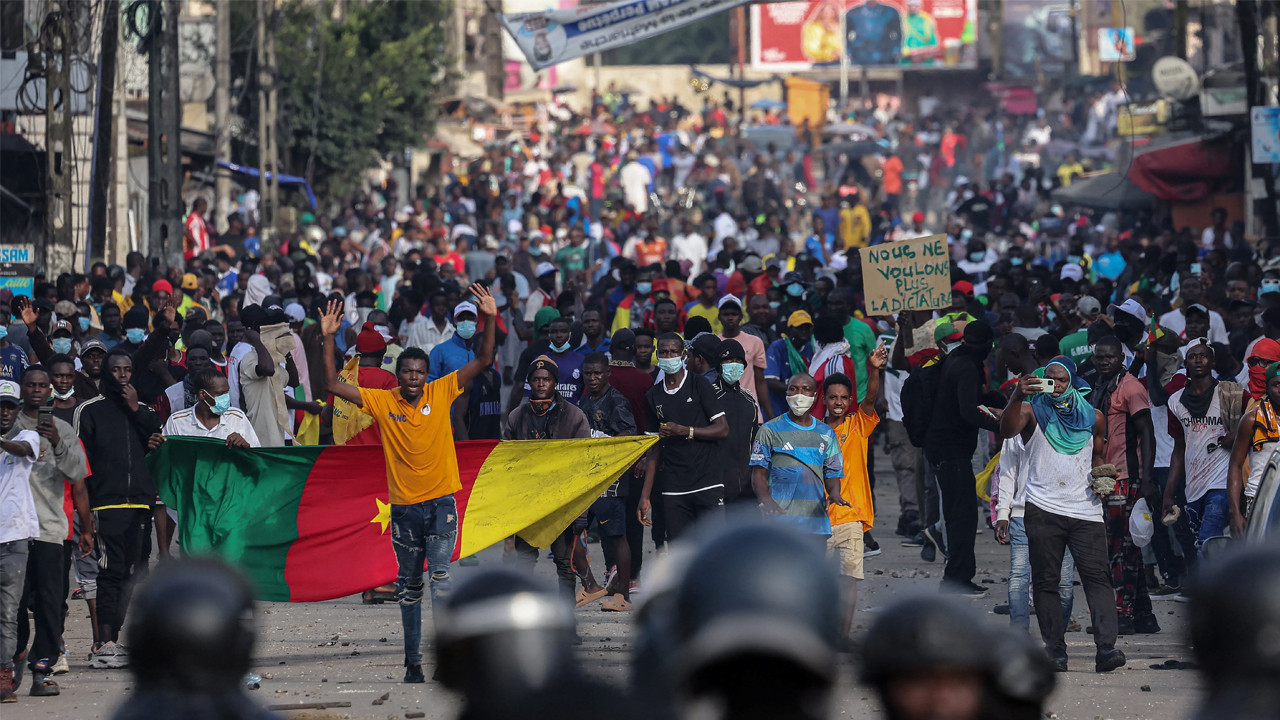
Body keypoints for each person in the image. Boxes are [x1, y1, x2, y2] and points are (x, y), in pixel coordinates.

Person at [318, 283, 497, 684]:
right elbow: (331, 385)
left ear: (425, 375)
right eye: (408, 373)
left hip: (441, 506)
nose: (414, 378)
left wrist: (490, 317)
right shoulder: (383, 400)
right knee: (410, 587)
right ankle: (413, 663)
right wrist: (328, 338)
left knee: (442, 580)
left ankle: (449, 661)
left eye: (419, 372)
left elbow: (484, 359)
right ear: (397, 376)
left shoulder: (443, 388)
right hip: (403, 510)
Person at [999, 357, 1126, 673]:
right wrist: (1017, 394)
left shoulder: (1093, 417)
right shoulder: (1032, 411)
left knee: (1098, 577)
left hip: (1086, 509)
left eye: (1061, 380)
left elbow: (1097, 451)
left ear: (1072, 383)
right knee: (1046, 581)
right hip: (1043, 508)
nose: (1055, 386)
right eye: (1049, 379)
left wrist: (1102, 474)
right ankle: (1055, 652)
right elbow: (1005, 428)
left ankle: (1107, 649)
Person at [74, 351, 161, 670]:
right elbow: (81, 459)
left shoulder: (142, 409)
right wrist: (87, 508)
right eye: (116, 370)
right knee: (110, 572)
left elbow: (154, 435)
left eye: (128, 370)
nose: (123, 375)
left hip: (140, 500)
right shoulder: (90, 410)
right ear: (107, 374)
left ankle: (114, 640)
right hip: (107, 502)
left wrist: (136, 407)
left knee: (131, 573)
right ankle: (103, 643)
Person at [505, 355, 608, 611]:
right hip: (528, 504)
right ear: (529, 383)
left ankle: (566, 624)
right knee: (525, 564)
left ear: (555, 382)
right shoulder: (517, 416)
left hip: (563, 504)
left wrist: (581, 512)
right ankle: (523, 619)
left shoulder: (574, 416)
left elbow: (584, 465)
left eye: (546, 379)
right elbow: (505, 464)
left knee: (565, 565)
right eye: (536, 379)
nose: (541, 384)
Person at [1089, 336, 1161, 634]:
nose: (1104, 361)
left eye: (1110, 357)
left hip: (1125, 478)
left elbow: (1147, 432)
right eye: (1100, 357)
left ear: (1121, 357)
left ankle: (1121, 616)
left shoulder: (1131, 387)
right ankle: (1143, 615)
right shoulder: (1099, 384)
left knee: (1117, 548)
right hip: (1107, 477)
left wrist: (1146, 480)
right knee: (1125, 547)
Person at [925, 321, 1001, 596]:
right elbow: (969, 411)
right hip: (951, 451)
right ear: (988, 345)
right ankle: (957, 579)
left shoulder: (956, 358)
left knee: (958, 515)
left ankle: (956, 576)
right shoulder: (967, 366)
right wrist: (1002, 425)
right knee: (963, 517)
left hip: (942, 449)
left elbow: (972, 400)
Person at [638, 332, 730, 543]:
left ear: (683, 354)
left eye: (673, 352)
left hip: (707, 481)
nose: (668, 356)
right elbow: (654, 450)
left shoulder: (699, 384)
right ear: (657, 355)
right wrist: (645, 495)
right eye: (663, 352)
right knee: (680, 550)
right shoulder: (653, 396)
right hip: (674, 485)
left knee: (713, 546)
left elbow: (723, 429)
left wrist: (685, 431)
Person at [822, 350, 886, 650]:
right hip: (817, 518)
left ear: (850, 401)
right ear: (823, 399)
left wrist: (874, 370)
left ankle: (843, 637)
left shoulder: (858, 425)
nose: (838, 402)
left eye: (844, 398)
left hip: (850, 517)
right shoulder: (813, 430)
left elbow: (871, 399)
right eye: (833, 397)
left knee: (848, 581)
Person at [1163, 339, 1241, 556]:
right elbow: (1179, 449)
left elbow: (1256, 417)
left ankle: (1207, 587)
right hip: (1194, 485)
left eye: (1203, 355)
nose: (1198, 359)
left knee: (1207, 541)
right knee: (1204, 542)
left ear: (1213, 361)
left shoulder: (1230, 393)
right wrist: (1168, 494)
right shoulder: (1175, 402)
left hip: (1223, 480)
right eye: (1192, 356)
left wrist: (1236, 436)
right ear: (1185, 363)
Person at [751, 371, 849, 538]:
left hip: (815, 523)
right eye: (794, 389)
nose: (799, 395)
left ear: (815, 396)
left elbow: (832, 473)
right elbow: (758, 474)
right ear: (786, 393)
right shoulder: (769, 430)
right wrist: (767, 501)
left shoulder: (826, 433)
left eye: (806, 389)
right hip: (779, 522)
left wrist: (834, 492)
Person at [577, 353, 636, 612]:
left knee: (616, 536)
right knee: (574, 531)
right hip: (587, 476)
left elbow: (629, 435)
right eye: (588, 373)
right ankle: (591, 585)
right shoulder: (584, 399)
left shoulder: (616, 401)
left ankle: (623, 594)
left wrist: (603, 439)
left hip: (611, 477)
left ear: (608, 373)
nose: (592, 378)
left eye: (597, 373)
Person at [0, 380, 43, 702]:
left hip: (14, 538)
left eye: (9, 406)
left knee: (8, 611)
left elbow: (22, 451)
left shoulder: (27, 436)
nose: (4, 412)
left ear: (17, 410)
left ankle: (3, 675)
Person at [1229, 360, 1280, 533]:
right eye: (1276, 384)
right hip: (1259, 498)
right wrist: (1235, 512)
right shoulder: (1252, 420)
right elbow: (1235, 465)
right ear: (1267, 388)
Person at [712, 339, 760, 504]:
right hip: (716, 484)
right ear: (719, 364)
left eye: (739, 361)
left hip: (747, 487)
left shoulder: (749, 399)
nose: (734, 364)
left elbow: (755, 441)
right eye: (729, 360)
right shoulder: (708, 396)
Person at [161, 370, 260, 448]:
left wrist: (245, 446)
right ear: (202, 394)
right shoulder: (177, 422)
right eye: (220, 394)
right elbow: (167, 457)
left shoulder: (237, 418)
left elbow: (256, 454)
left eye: (227, 392)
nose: (226, 398)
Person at [718, 295, 772, 419]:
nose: (730, 318)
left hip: (750, 410)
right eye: (726, 314)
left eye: (734, 314)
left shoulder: (755, 342)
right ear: (719, 317)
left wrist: (770, 416)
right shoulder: (714, 342)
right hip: (722, 412)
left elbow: (760, 382)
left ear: (741, 316)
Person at [765, 310, 815, 422]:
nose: (804, 331)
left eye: (807, 328)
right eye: (799, 328)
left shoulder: (811, 348)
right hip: (779, 411)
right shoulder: (777, 347)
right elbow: (770, 381)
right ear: (790, 329)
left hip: (803, 413)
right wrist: (798, 390)